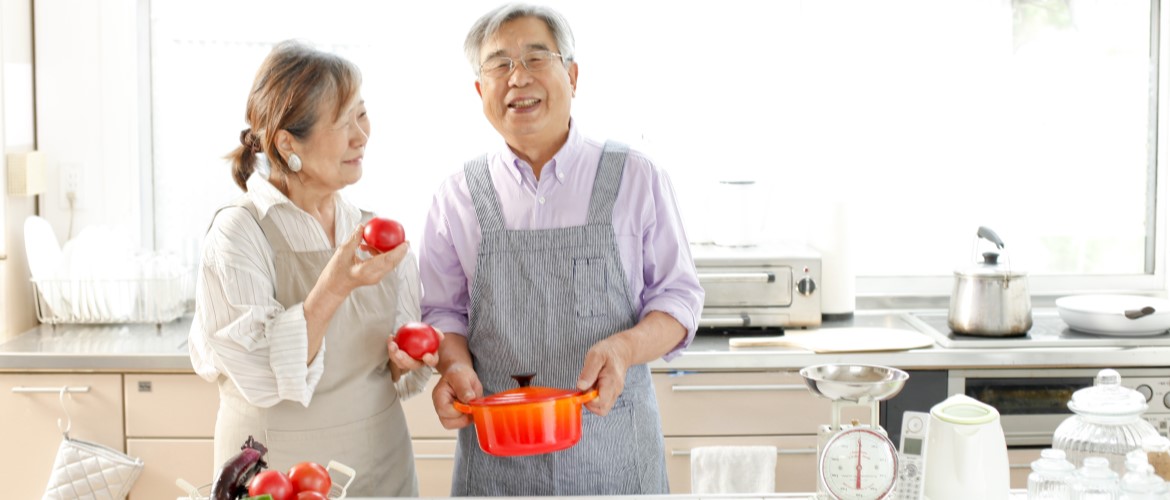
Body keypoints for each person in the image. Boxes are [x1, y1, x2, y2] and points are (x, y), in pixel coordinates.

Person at [419, 4, 705, 496]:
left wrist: (624, 347)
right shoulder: (456, 196)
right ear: (479, 90)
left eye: (536, 58)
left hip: (615, 457)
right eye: (499, 65)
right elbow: (443, 313)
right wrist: (455, 366)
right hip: (497, 465)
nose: (517, 79)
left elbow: (678, 301)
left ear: (572, 76)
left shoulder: (637, 177)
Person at [188, 40, 438, 497]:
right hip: (276, 476)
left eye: (362, 115)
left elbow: (398, 368)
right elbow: (262, 372)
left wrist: (405, 363)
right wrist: (333, 287)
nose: (361, 135)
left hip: (381, 469)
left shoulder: (373, 230)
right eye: (344, 122)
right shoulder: (240, 233)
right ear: (287, 142)